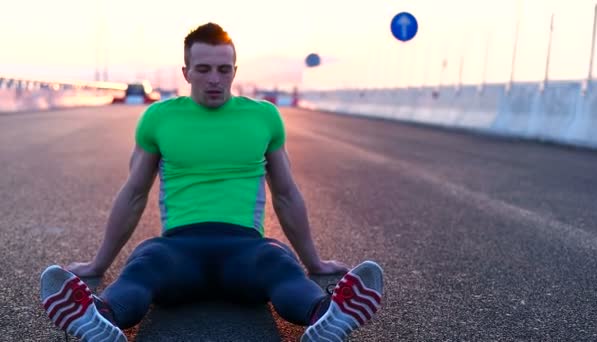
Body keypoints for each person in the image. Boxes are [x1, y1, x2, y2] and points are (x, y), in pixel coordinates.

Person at [40, 22, 384, 342]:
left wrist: (314, 263)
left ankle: (327, 316)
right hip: (178, 251)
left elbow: (286, 193)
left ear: (235, 71)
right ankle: (100, 318)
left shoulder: (264, 117)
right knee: (145, 261)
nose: (214, 79)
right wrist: (97, 265)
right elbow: (133, 194)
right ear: (186, 72)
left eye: (224, 69)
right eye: (203, 69)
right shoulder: (158, 118)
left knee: (279, 261)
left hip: (245, 250)